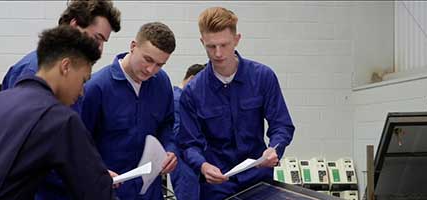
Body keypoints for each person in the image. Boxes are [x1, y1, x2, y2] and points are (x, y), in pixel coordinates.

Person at [0, 25, 117, 199]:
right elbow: (96, 190)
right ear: (65, 67)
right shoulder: (57, 118)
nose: (81, 91)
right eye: (83, 80)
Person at [177, 7, 296, 199]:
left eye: (224, 45)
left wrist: (274, 148)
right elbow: (189, 144)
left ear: (237, 39)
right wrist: (203, 166)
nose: (217, 53)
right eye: (210, 46)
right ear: (202, 42)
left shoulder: (263, 78)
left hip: (259, 180)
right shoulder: (193, 91)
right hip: (217, 186)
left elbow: (282, 124)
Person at [70, 21, 177, 200]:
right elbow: (79, 145)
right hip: (109, 190)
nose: (151, 69)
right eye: (148, 59)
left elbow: (168, 124)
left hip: (150, 191)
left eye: (160, 64)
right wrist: (97, 171)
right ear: (133, 46)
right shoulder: (96, 88)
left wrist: (170, 149)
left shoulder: (162, 82)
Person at [1, 0, 121, 90]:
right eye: (97, 38)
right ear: (74, 26)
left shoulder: (72, 74)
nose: (100, 49)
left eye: (103, 42)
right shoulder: (33, 70)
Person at [170, 63, 205, 200]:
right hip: (184, 163)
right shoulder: (177, 101)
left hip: (192, 160)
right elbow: (180, 135)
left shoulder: (183, 99)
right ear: (192, 80)